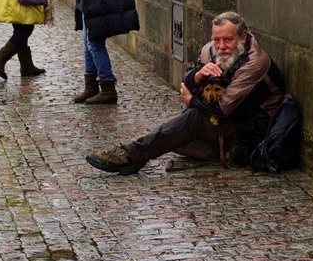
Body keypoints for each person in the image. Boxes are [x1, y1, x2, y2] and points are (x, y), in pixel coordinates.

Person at [85, 11, 285, 175]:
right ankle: (224, 153)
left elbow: (223, 108)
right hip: (227, 118)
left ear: (242, 37)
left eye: (228, 40)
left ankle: (133, 154)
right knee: (176, 136)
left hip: (253, 128)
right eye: (217, 40)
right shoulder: (211, 49)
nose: (222, 46)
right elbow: (187, 79)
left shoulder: (255, 63)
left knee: (191, 120)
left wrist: (191, 100)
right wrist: (197, 76)